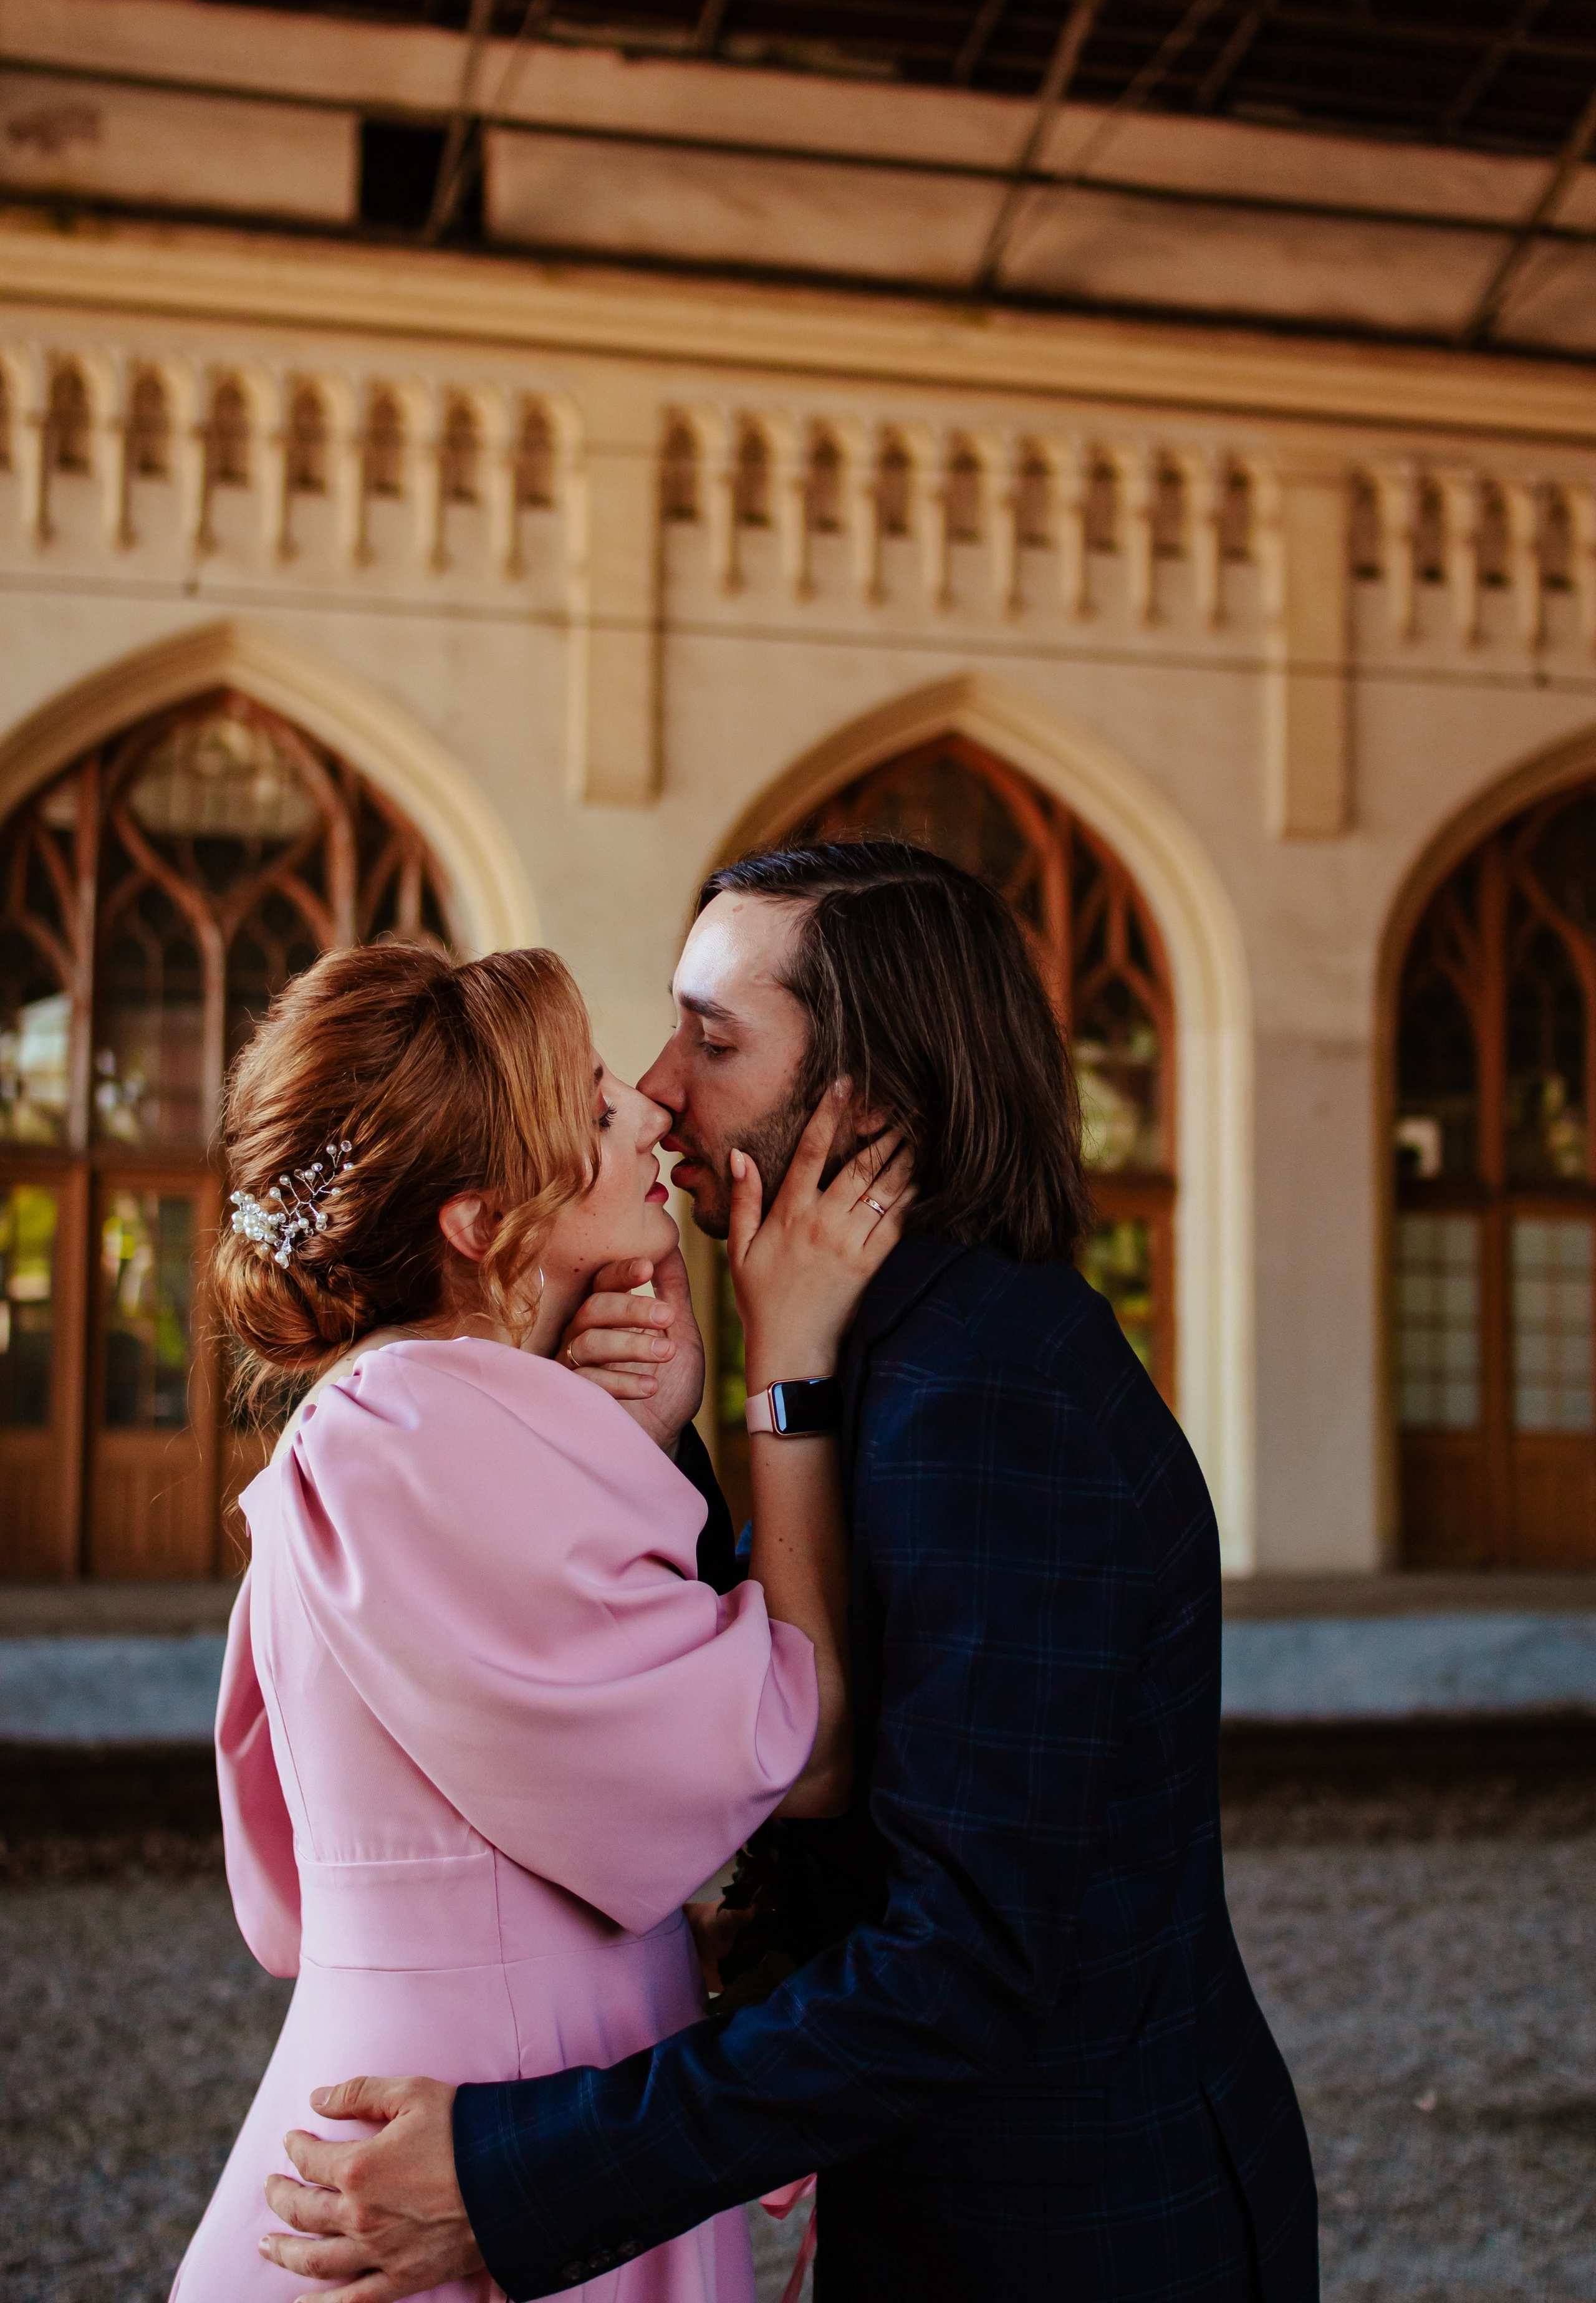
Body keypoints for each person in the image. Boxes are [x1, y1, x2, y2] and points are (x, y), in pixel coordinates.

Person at [257, 842, 1320, 2303]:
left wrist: (517, 2177)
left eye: (712, 1039)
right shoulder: (886, 1348)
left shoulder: (991, 1390)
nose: (656, 1088)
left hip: (1068, 2238)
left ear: (861, 1100)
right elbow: (810, 1716)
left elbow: (964, 1959)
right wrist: (672, 1441)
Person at [171, 938, 910, 2303]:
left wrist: (646, 1432)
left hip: (485, 2074)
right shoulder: (414, 1429)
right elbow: (791, 1741)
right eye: (586, 1106)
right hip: (474, 2127)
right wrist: (788, 1369)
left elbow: (315, 1884)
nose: (643, 1110)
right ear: (477, 1221)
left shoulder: (406, 1417)